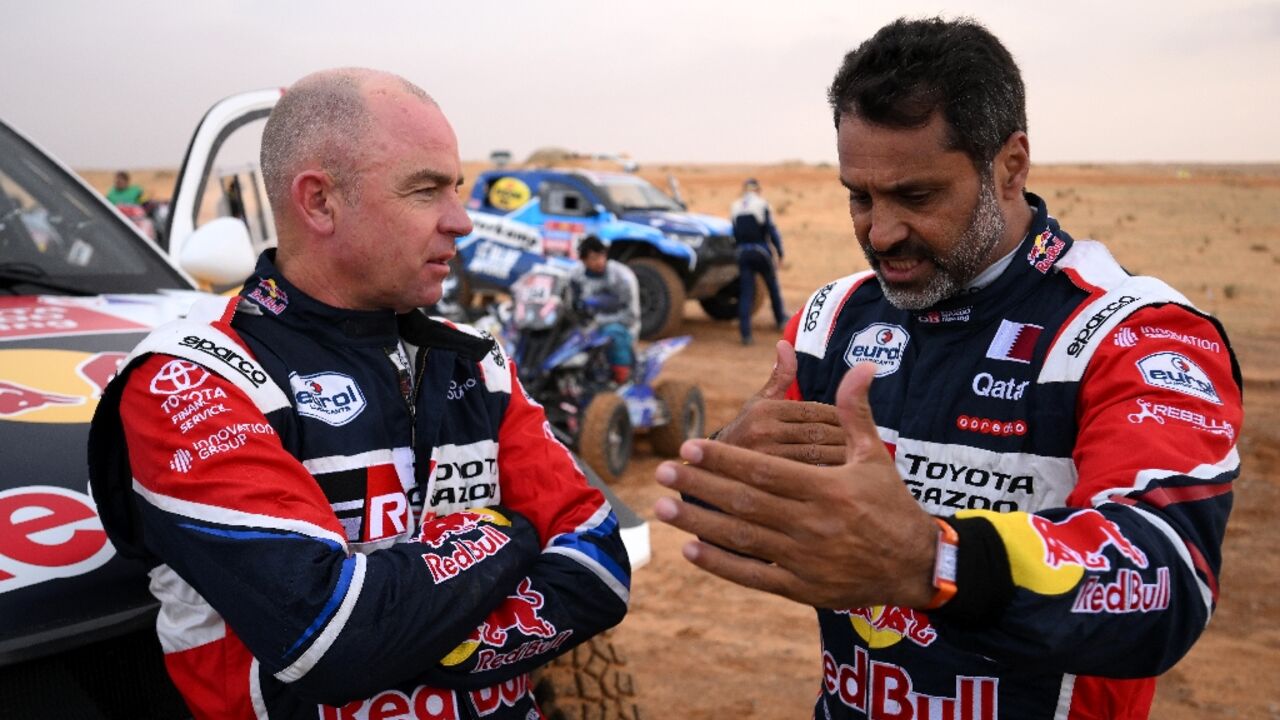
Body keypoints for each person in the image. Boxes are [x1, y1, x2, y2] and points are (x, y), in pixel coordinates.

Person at [653, 17, 1241, 719]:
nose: (880, 232)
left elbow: (1167, 581)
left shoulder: (1133, 333)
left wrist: (935, 561)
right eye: (860, 196)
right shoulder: (834, 318)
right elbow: (747, 522)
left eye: (917, 196)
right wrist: (732, 463)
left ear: (1011, 164)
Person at [87, 68, 630, 719]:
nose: (460, 221)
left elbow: (599, 567)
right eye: (426, 190)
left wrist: (426, 643)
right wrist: (511, 534)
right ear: (319, 202)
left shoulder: (473, 359)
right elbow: (331, 640)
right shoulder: (191, 379)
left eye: (456, 188)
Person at [569, 235, 640, 384]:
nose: (600, 261)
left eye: (602, 256)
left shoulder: (622, 276)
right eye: (594, 258)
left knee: (613, 333)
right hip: (585, 325)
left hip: (621, 325)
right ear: (583, 260)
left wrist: (598, 322)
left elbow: (631, 315)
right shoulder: (575, 276)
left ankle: (622, 376)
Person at [730, 177, 788, 345]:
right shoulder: (762, 204)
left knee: (746, 293)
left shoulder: (735, 206)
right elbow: (771, 231)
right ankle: (780, 319)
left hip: (742, 253)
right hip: (761, 251)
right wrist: (779, 251)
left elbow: (733, 233)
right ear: (757, 189)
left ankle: (745, 334)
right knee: (772, 286)